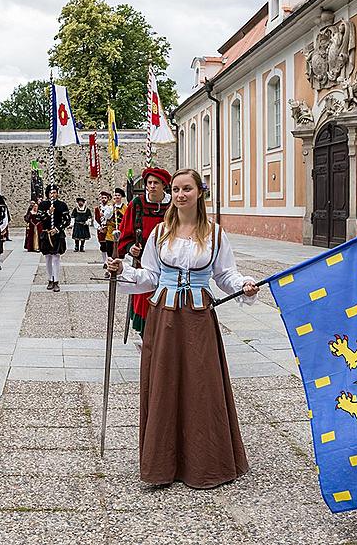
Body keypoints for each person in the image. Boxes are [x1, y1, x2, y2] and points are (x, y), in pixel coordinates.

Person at [106, 168, 258, 489]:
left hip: (199, 317)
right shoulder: (160, 232)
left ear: (199, 192)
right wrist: (125, 271)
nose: (180, 195)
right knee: (164, 382)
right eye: (175, 189)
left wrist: (243, 284)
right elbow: (149, 274)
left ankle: (205, 462)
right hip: (164, 317)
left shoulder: (215, 235)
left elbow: (225, 275)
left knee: (202, 384)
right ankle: (164, 463)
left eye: (186, 189)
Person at [116, 167, 172, 336]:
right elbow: (125, 233)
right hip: (143, 262)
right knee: (145, 298)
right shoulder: (137, 205)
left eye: (156, 183)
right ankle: (147, 336)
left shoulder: (173, 205)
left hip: (170, 262)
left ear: (164, 185)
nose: (152, 186)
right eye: (149, 183)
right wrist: (130, 247)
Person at [39, 185, 70, 292]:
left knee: (56, 257)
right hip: (46, 233)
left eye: (54, 192)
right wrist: (48, 213)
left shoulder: (62, 205)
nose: (53, 194)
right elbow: (39, 218)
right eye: (51, 192)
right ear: (47, 194)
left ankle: (56, 280)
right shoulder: (43, 204)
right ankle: (50, 279)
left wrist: (57, 229)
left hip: (57, 234)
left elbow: (67, 220)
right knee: (47, 257)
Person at [93, 191, 115, 268]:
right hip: (100, 230)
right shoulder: (97, 209)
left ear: (108, 199)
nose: (103, 199)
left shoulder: (110, 208)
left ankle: (109, 261)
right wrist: (99, 227)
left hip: (108, 229)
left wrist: (105, 214)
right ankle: (104, 261)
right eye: (102, 198)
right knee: (103, 246)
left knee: (109, 246)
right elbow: (95, 219)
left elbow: (109, 217)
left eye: (105, 198)